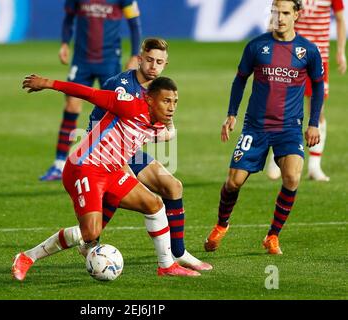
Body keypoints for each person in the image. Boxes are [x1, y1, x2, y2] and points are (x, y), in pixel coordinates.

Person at [13, 74, 201, 280]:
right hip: (85, 168)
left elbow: (166, 135)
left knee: (154, 205)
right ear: (149, 99)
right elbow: (89, 93)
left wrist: (170, 124)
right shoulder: (128, 104)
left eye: (175, 102)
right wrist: (48, 84)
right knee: (90, 233)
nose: (172, 107)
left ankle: (166, 266)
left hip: (112, 172)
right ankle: (26, 257)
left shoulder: (155, 124)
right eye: (166, 101)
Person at [203, 0, 324, 255]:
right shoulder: (257, 46)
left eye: (285, 13)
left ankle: (272, 235)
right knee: (234, 181)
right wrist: (231, 114)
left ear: (297, 15)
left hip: (289, 128)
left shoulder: (308, 51)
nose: (279, 17)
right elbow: (240, 80)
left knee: (292, 176)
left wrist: (314, 124)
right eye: (275, 12)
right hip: (255, 128)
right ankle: (221, 224)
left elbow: (318, 87)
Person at [82, 37, 212, 271]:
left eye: (159, 62)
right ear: (140, 59)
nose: (153, 66)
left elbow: (161, 127)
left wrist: (167, 131)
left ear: (165, 64)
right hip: (107, 149)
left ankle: (179, 252)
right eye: (149, 60)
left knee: (173, 186)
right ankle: (89, 239)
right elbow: (97, 119)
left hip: (132, 150)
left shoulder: (160, 89)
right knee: (126, 189)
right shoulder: (121, 85)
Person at [40, 0, 142, 181]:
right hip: (81, 60)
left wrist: (135, 55)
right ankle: (59, 165)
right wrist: (64, 43)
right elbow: (69, 18)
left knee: (114, 112)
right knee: (71, 107)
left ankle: (115, 164)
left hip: (109, 61)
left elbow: (134, 24)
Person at [267, 0, 346, 181]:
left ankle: (314, 166)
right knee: (282, 109)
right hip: (290, 56)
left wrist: (341, 51)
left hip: (319, 57)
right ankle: (275, 157)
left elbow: (340, 19)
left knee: (318, 112)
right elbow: (277, 14)